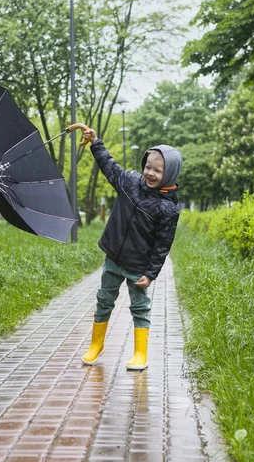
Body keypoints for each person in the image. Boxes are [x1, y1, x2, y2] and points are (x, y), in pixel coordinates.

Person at [80, 127, 183, 370]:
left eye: (158, 170)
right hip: (113, 257)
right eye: (148, 167)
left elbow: (162, 245)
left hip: (138, 266)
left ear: (170, 174)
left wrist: (150, 273)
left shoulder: (167, 209)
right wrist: (96, 142)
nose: (150, 173)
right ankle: (96, 345)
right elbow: (109, 166)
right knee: (104, 299)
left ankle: (140, 353)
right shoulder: (129, 182)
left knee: (139, 307)